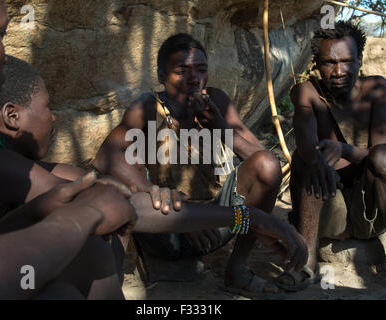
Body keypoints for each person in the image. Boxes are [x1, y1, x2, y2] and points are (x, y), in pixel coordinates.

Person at [92, 33, 306, 296]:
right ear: (161, 75)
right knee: (121, 178)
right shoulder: (149, 107)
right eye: (181, 71)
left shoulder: (215, 101)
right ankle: (109, 287)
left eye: (201, 70)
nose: (193, 79)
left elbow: (265, 162)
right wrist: (164, 200)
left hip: (221, 225)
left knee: (266, 165)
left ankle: (236, 269)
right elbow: (106, 158)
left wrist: (222, 129)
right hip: (165, 226)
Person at [0, 0, 138, 300]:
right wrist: (81, 218)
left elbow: (105, 194)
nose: (4, 56)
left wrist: (32, 212)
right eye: (0, 33)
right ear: (12, 117)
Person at [279, 20, 386, 291]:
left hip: (371, 211)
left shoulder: (376, 89)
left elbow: (383, 153)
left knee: (385, 158)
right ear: (316, 63)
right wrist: (319, 161)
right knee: (306, 160)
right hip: (329, 207)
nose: (339, 71)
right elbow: (306, 143)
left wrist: (345, 150)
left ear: (360, 60)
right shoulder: (307, 92)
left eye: (347, 61)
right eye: (329, 62)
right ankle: (305, 264)